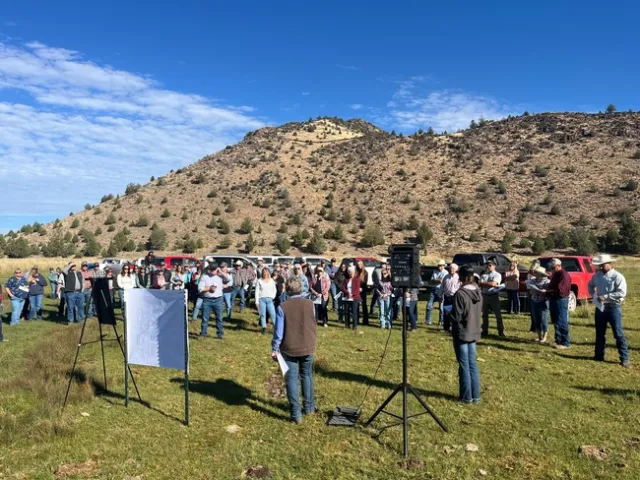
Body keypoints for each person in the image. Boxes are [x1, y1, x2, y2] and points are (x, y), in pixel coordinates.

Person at [271, 277, 317, 424]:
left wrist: (274, 348)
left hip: (289, 347)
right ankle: (309, 408)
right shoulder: (310, 304)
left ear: (287, 290)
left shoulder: (282, 307)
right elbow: (312, 322)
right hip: (308, 344)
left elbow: (279, 332)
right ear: (301, 288)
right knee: (307, 375)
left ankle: (296, 414)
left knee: (291, 379)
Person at [588, 254, 629, 367]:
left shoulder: (617, 276)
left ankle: (624, 358)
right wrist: (594, 295)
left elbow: (621, 292)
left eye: (602, 265)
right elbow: (590, 286)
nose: (600, 267)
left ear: (609, 264)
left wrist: (605, 297)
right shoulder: (597, 276)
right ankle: (599, 355)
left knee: (618, 333)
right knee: (600, 332)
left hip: (613, 307)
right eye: (599, 266)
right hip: (600, 307)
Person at [449, 265, 482, 404]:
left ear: (461, 277)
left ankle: (466, 397)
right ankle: (476, 396)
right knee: (472, 363)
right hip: (474, 330)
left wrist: (447, 315)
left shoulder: (460, 294)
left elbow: (456, 316)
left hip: (462, 332)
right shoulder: (478, 291)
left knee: (463, 364)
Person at [540, 258, 571, 349]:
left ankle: (565, 342)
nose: (552, 270)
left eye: (553, 268)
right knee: (556, 321)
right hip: (554, 299)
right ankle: (558, 340)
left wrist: (547, 291)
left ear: (558, 266)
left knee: (561, 320)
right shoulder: (556, 274)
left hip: (560, 300)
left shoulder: (564, 275)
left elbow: (561, 290)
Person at [198, 263, 225, 339]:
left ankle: (220, 334)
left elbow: (229, 280)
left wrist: (221, 272)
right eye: (212, 270)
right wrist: (209, 289)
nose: (213, 271)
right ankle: (203, 334)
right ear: (209, 269)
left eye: (214, 270)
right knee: (205, 318)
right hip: (207, 300)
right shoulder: (204, 277)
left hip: (218, 299)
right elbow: (200, 289)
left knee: (219, 317)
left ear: (217, 269)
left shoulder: (220, 276)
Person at [479, 259, 504, 337]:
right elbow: (479, 284)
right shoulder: (484, 274)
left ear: (494, 266)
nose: (488, 267)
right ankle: (484, 330)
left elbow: (494, 284)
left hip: (493, 296)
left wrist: (485, 284)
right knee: (484, 315)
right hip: (484, 295)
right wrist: (488, 283)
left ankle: (501, 331)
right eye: (487, 265)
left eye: (490, 265)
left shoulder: (497, 275)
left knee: (498, 314)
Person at [527, 266, 550, 343]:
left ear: (540, 274)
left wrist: (544, 292)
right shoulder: (532, 281)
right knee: (536, 319)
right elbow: (530, 291)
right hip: (534, 301)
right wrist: (532, 291)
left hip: (543, 301)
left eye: (536, 272)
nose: (534, 273)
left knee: (543, 319)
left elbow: (548, 293)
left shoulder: (547, 282)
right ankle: (539, 336)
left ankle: (544, 336)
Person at [438, 263, 461, 332]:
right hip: (447, 297)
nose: (451, 269)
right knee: (446, 313)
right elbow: (442, 286)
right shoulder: (446, 277)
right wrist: (440, 294)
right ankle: (446, 328)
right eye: (450, 268)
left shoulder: (458, 278)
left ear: (456, 270)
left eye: (453, 268)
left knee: (455, 313)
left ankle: (455, 328)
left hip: (455, 297)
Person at [255, 267, 277, 335]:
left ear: (268, 272)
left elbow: (274, 290)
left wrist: (272, 297)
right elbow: (257, 291)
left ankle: (276, 328)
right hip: (262, 299)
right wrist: (256, 301)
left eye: (266, 271)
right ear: (262, 273)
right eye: (263, 272)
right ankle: (264, 328)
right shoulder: (259, 281)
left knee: (273, 315)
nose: (265, 273)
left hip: (270, 300)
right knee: (262, 315)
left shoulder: (271, 281)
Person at [426, 259, 448, 326]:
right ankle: (428, 320)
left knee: (441, 307)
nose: (440, 267)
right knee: (429, 306)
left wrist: (435, 280)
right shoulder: (435, 272)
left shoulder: (445, 273)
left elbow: (441, 281)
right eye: (439, 265)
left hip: (441, 290)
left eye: (441, 266)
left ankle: (441, 321)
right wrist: (437, 280)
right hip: (433, 289)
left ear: (444, 266)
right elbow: (431, 281)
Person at [342, 266, 361, 331]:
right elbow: (343, 288)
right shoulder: (346, 279)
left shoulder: (357, 279)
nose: (351, 273)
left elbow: (357, 289)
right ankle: (347, 325)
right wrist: (347, 293)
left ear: (354, 272)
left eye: (352, 272)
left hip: (354, 298)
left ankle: (354, 326)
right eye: (349, 272)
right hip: (347, 297)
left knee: (354, 312)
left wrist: (352, 294)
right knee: (346, 311)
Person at [376, 264, 393, 329]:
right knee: (382, 311)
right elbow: (377, 289)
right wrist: (381, 294)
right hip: (381, 297)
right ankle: (382, 324)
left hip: (387, 297)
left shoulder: (390, 281)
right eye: (383, 274)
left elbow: (392, 289)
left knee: (388, 311)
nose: (384, 275)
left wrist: (387, 294)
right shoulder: (380, 281)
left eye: (385, 273)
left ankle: (389, 324)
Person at [356, 260, 370, 326]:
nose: (359, 266)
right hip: (356, 290)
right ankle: (357, 320)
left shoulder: (365, 273)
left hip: (363, 290)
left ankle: (365, 321)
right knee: (357, 305)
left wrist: (361, 287)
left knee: (364, 305)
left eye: (360, 264)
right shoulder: (356, 272)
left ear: (362, 265)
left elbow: (365, 282)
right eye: (358, 264)